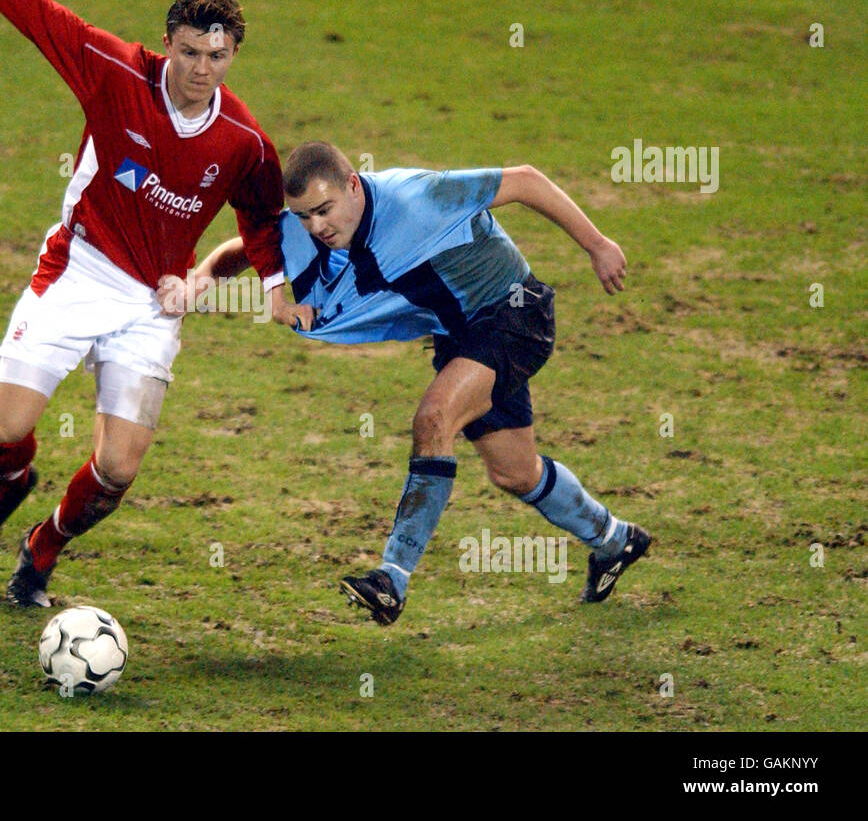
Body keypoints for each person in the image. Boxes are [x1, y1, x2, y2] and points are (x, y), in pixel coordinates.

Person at [0, 0, 301, 607]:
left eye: (218, 57)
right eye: (191, 52)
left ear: (234, 56)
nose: (202, 70)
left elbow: (261, 219)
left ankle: (42, 549)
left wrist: (278, 284)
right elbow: (34, 10)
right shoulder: (113, 70)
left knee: (116, 467)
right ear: (166, 42)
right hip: (79, 270)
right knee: (5, 432)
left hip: (150, 305)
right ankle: (12, 485)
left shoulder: (246, 143)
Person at [183, 141, 651, 624]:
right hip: (461, 336)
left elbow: (527, 179)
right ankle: (616, 540)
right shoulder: (316, 226)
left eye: (323, 211)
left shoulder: (418, 198)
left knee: (434, 418)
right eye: (304, 217)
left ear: (352, 185)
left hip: (514, 314)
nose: (316, 227)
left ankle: (392, 579)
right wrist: (195, 282)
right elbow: (251, 250)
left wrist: (597, 245)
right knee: (513, 471)